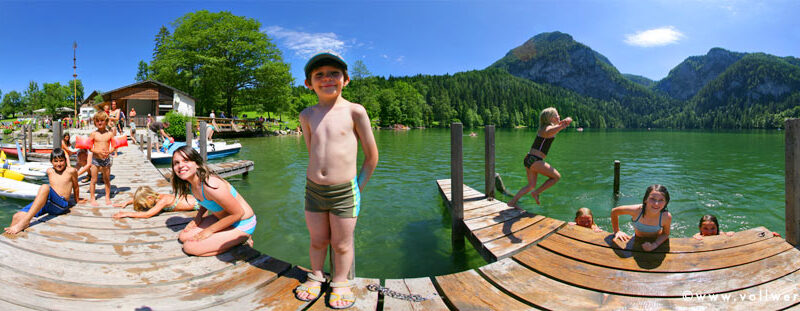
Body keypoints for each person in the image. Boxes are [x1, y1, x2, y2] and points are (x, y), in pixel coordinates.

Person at [294, 51, 379, 309]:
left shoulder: (355, 111)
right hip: (313, 190)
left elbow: (371, 157)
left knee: (342, 244)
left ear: (346, 79)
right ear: (309, 83)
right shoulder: (306, 115)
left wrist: (357, 187)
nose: (327, 79)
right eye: (319, 75)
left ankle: (340, 281)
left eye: (334, 74)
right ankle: (317, 275)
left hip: (346, 191)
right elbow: (313, 152)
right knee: (318, 239)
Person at [172, 146, 256, 256]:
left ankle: (243, 240)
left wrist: (209, 231)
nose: (180, 165)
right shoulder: (191, 184)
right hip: (223, 218)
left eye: (186, 160)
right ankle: (226, 238)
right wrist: (198, 219)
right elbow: (205, 201)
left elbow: (238, 213)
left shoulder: (210, 184)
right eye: (176, 163)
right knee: (184, 237)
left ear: (197, 163)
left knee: (189, 247)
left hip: (242, 223)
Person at [4, 148, 85, 234]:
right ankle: (10, 236)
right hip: (49, 203)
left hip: (61, 204)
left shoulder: (71, 171)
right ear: (51, 162)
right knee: (17, 216)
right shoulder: (49, 171)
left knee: (45, 187)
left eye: (61, 161)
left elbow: (76, 186)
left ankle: (25, 222)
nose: (59, 164)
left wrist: (77, 200)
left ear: (65, 161)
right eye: (56, 161)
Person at [507, 107, 572, 207]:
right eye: (557, 115)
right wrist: (562, 125)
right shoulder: (546, 129)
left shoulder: (547, 127)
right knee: (556, 177)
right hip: (535, 160)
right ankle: (536, 193)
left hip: (529, 159)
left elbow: (556, 128)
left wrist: (566, 121)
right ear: (551, 118)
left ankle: (512, 202)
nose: (559, 116)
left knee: (531, 185)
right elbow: (548, 132)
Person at [611, 184, 673, 252]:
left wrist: (654, 245)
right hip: (637, 239)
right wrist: (617, 231)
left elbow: (665, 234)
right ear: (645, 200)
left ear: (666, 203)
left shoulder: (666, 216)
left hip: (656, 241)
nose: (656, 204)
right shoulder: (636, 211)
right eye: (652, 199)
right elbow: (614, 212)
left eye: (661, 200)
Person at [113, 186, 199, 219]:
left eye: (144, 203)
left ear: (149, 198)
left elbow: (147, 214)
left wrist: (127, 213)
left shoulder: (163, 201)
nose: (144, 206)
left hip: (198, 204)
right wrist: (127, 202)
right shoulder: (156, 196)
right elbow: (141, 198)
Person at [88, 111, 116, 206]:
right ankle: (92, 198)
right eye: (97, 121)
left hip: (106, 159)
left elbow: (114, 146)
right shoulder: (93, 134)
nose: (100, 123)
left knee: (106, 179)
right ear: (95, 122)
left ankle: (107, 197)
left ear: (106, 121)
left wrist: (110, 151)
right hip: (96, 160)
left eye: (102, 121)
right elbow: (89, 147)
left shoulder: (109, 134)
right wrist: (97, 151)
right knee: (94, 180)